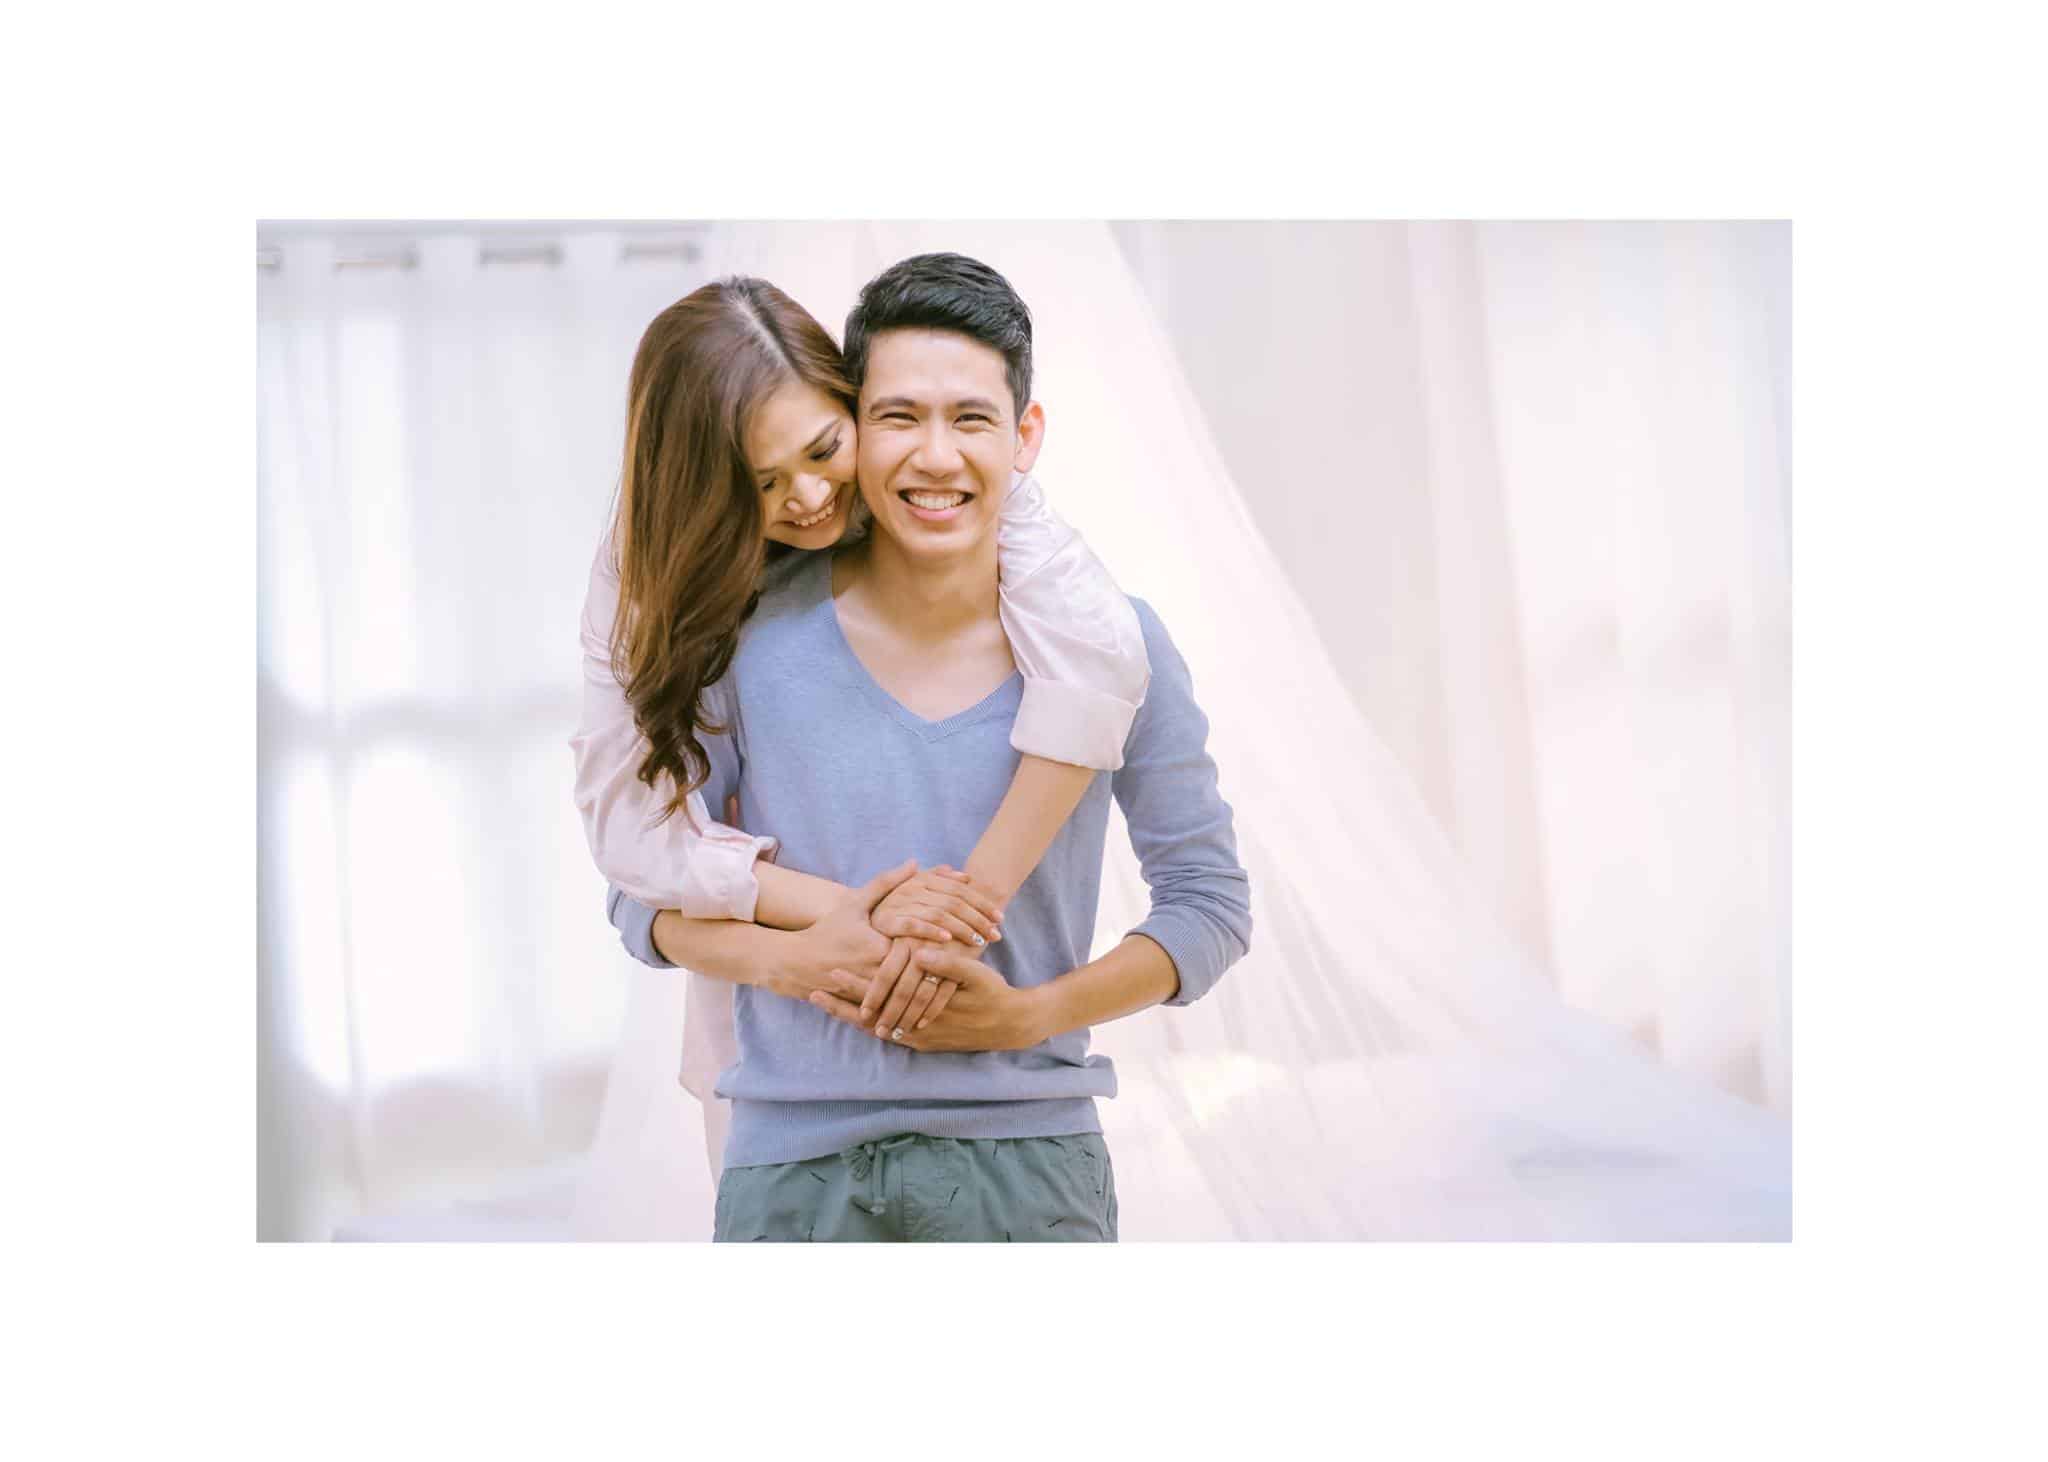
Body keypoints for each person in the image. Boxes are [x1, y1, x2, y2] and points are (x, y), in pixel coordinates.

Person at [606, 252, 1252, 1241]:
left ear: (1024, 437)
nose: (936, 456)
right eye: (899, 417)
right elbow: (641, 894)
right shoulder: (741, 641)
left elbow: (1209, 906)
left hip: (1031, 1163)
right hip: (791, 1172)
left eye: (972, 419)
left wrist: (1029, 1015)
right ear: (852, 429)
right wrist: (796, 960)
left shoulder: (1118, 645)